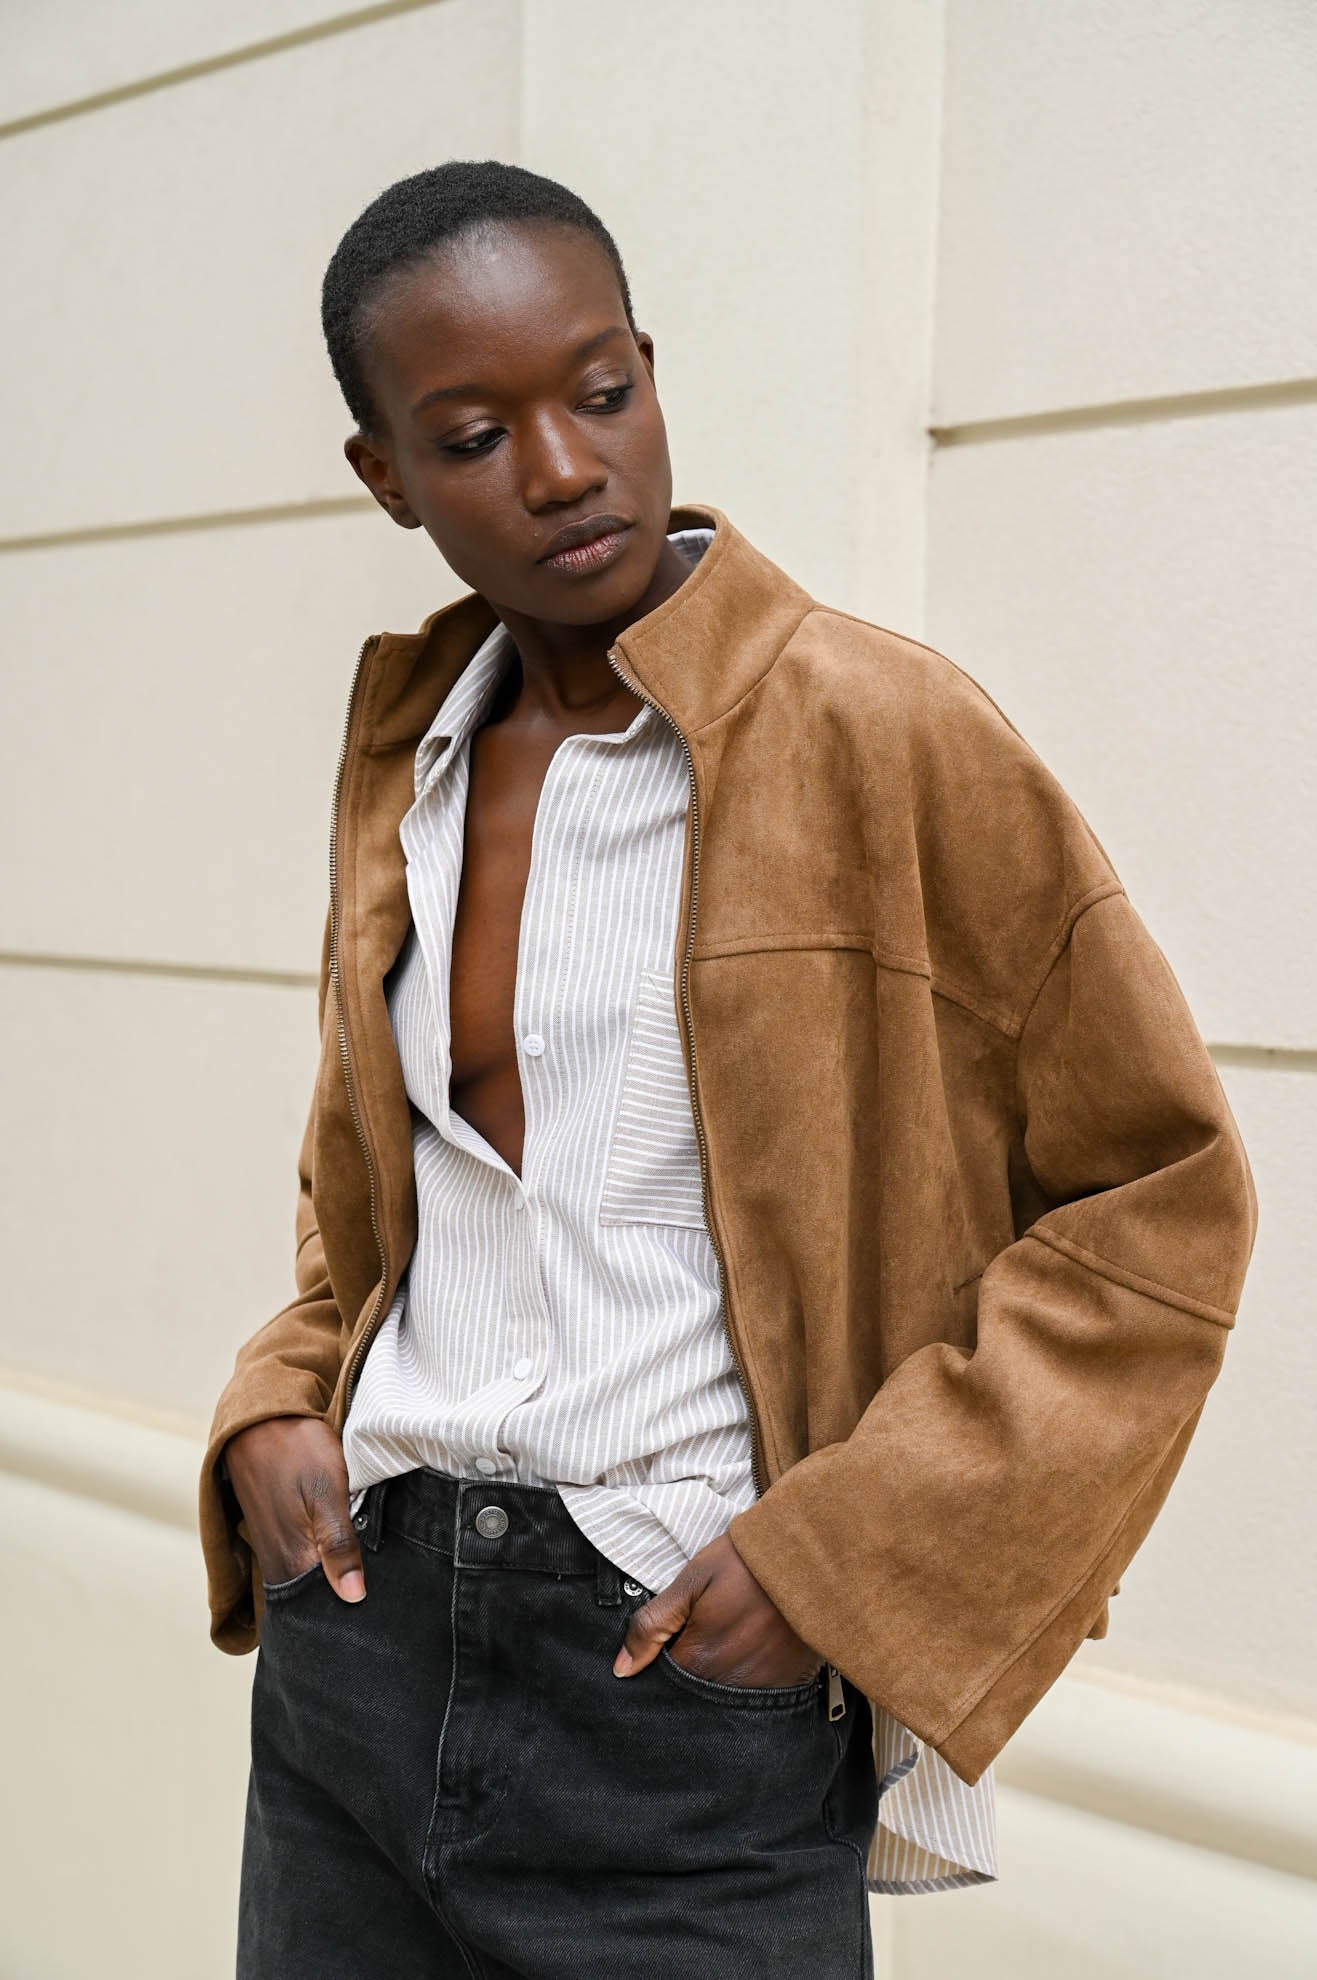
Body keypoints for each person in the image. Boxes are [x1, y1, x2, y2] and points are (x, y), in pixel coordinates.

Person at [200, 160, 1258, 1978]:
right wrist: (277, 1403)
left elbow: (1159, 1207)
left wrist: (846, 1558)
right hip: (355, 1666)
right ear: (386, 478)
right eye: (474, 438)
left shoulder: (878, 731)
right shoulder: (411, 759)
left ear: (648, 375)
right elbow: (379, 1194)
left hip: (678, 1694)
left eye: (601, 392)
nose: (563, 468)